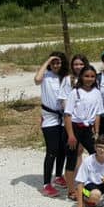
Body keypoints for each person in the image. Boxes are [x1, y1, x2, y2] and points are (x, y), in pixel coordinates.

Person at [61, 63, 103, 194]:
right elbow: (67, 115)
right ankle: (71, 190)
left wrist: (96, 132)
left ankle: (94, 181)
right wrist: (71, 135)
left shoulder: (97, 93)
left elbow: (97, 114)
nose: (89, 79)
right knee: (72, 158)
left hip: (88, 129)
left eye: (92, 76)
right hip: (74, 128)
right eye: (86, 76)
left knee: (96, 154)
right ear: (81, 77)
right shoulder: (75, 92)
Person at [36, 52, 71, 197]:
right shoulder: (46, 76)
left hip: (63, 116)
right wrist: (48, 60)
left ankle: (58, 176)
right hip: (49, 116)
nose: (56, 65)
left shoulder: (66, 77)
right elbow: (37, 79)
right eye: (54, 63)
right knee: (52, 150)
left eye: (59, 62)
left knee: (63, 148)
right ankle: (46, 184)